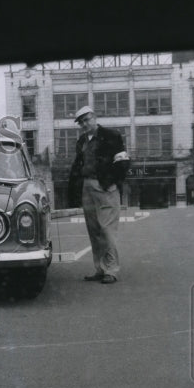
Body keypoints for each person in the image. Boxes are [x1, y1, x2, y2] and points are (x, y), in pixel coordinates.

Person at [68, 105, 130, 284]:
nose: (85, 124)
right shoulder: (81, 141)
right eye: (81, 122)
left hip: (105, 187)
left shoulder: (112, 136)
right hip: (86, 187)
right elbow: (78, 165)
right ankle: (100, 269)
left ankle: (112, 270)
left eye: (87, 119)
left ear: (95, 118)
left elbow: (122, 162)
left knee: (107, 229)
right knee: (94, 230)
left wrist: (111, 183)